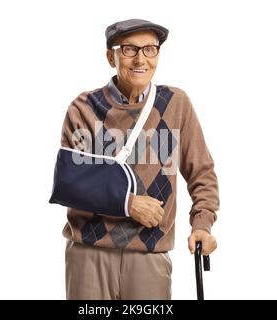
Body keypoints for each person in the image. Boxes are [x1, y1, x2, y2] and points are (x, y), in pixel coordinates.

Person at [56, 18, 219, 300]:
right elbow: (69, 184)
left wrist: (202, 225)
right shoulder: (83, 108)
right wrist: (129, 204)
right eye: (129, 49)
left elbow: (201, 173)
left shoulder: (175, 103)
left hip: (149, 254)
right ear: (112, 56)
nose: (140, 59)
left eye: (150, 49)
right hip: (89, 254)